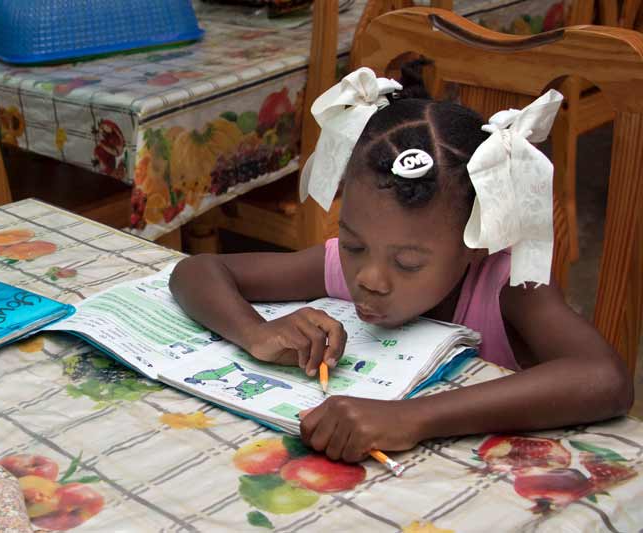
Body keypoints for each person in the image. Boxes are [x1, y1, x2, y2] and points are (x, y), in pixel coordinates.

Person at [169, 63, 633, 463]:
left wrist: (411, 419)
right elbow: (195, 272)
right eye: (352, 245)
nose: (369, 278)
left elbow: (604, 379)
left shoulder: (507, 282)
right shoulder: (345, 267)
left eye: (408, 263)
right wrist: (257, 332)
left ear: (478, 240)